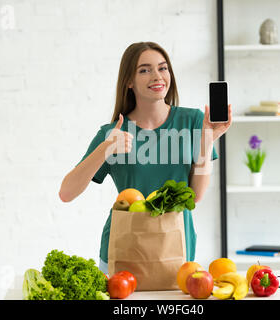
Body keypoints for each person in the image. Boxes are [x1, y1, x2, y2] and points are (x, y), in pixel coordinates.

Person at [59, 41, 232, 274]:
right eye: (144, 70)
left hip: (176, 250)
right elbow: (66, 193)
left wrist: (207, 141)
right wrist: (104, 149)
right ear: (129, 81)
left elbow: (196, 196)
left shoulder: (193, 122)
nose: (157, 76)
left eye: (163, 68)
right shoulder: (113, 133)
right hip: (123, 254)